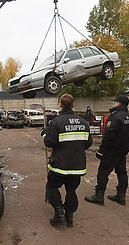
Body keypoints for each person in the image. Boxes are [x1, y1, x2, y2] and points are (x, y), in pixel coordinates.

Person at [41, 93, 92, 227]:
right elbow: (88, 143)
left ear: (60, 105)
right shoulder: (83, 122)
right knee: (71, 190)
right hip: (77, 165)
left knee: (51, 186)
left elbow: (49, 142)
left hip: (59, 165)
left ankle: (59, 213)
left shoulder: (56, 122)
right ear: (73, 105)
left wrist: (45, 133)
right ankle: (69, 217)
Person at [85, 94, 129, 206]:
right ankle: (121, 195)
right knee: (122, 172)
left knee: (103, 172)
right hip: (123, 150)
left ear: (118, 103)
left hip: (112, 150)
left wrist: (101, 150)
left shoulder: (115, 117)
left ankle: (99, 196)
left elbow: (108, 135)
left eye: (115, 102)